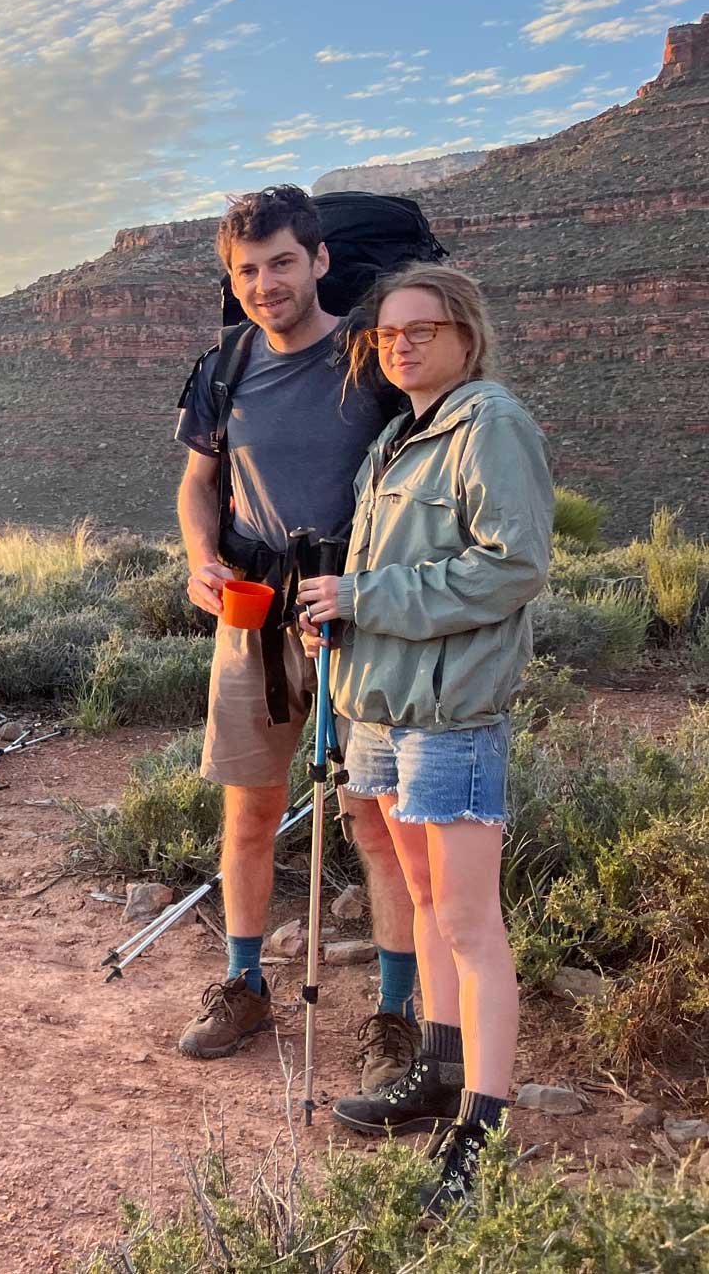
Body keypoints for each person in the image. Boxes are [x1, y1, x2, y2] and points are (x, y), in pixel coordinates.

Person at [294, 263, 551, 1211]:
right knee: (429, 901)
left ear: (464, 333)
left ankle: (482, 1129)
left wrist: (365, 599)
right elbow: (383, 574)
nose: (401, 344)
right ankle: (438, 1069)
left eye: (422, 329)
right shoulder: (399, 439)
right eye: (388, 334)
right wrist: (333, 615)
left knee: (474, 923)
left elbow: (512, 565)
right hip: (379, 710)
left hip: (451, 714)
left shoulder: (490, 425)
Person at [173, 185, 420, 1088]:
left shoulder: (370, 358)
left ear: (319, 261)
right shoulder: (224, 366)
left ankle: (395, 1015)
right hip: (254, 613)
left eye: (282, 262)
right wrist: (202, 555)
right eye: (247, 270)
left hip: (358, 617)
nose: (265, 283)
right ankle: (243, 983)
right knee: (248, 811)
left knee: (375, 820)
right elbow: (200, 482)